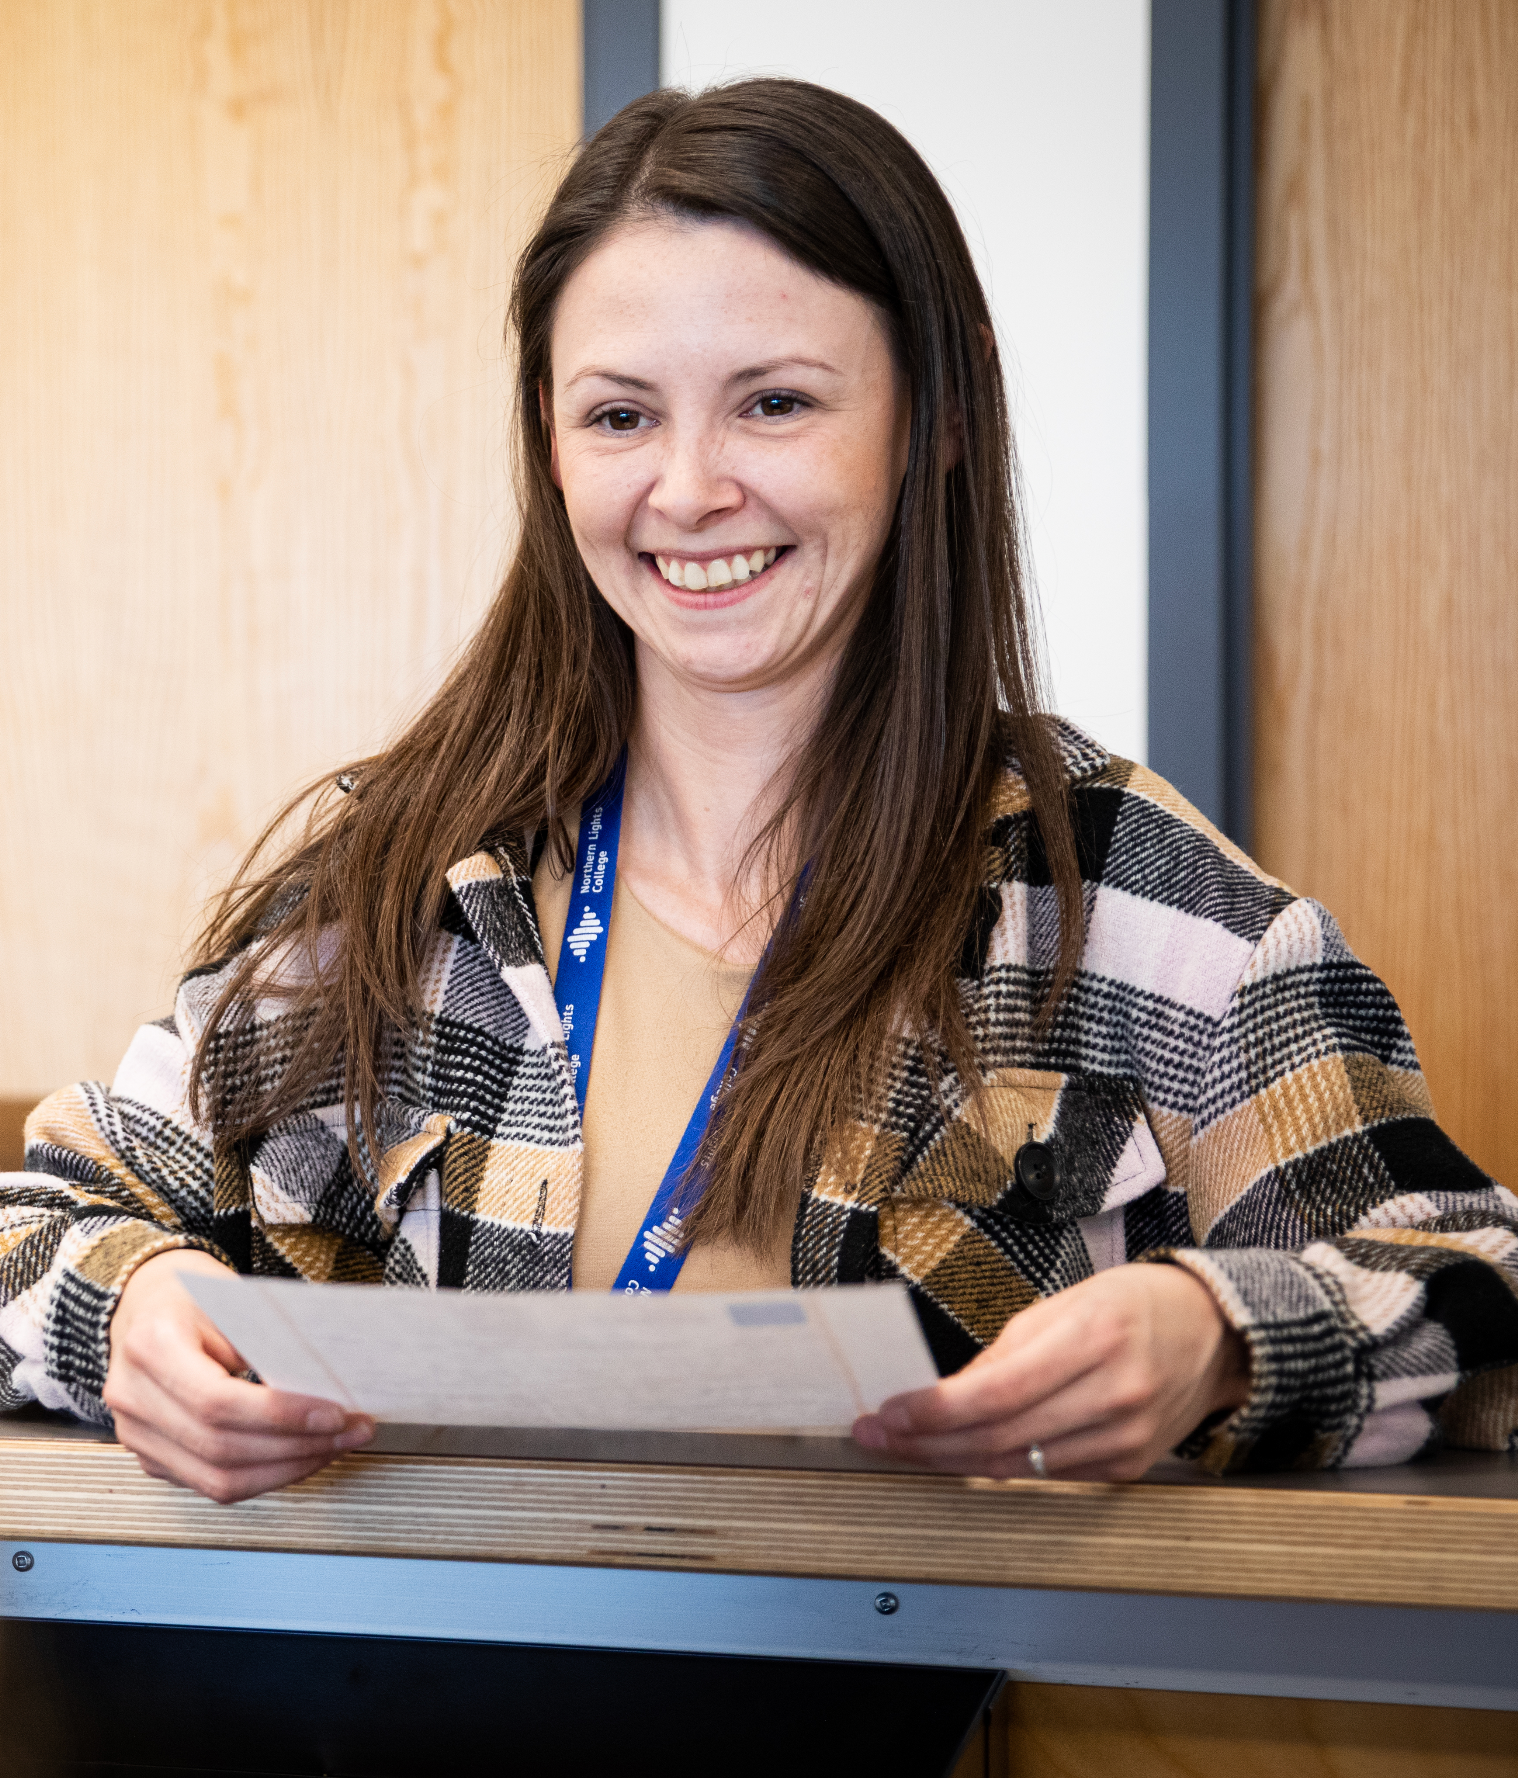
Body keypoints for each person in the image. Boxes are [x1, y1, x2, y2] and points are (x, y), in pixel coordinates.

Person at [1, 80, 1513, 1507]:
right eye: (618, 416)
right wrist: (130, 1314)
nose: (688, 487)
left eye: (775, 403)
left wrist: (1214, 1335)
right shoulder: (388, 886)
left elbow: (1474, 1283)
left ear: (935, 414)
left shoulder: (1124, 907)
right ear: (547, 441)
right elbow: (32, 1230)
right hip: (388, 1702)